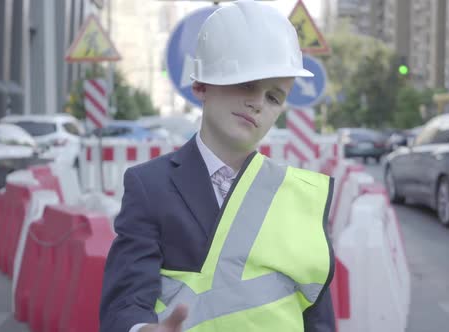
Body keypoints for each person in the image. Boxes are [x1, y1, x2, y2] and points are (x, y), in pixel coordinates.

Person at [99, 1, 335, 331]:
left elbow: (316, 315)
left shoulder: (299, 196)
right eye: (247, 83)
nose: (257, 103)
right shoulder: (149, 186)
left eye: (273, 97)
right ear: (201, 86)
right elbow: (125, 300)